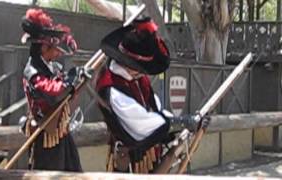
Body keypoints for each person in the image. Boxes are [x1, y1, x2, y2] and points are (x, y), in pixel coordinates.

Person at [96, 17, 209, 173]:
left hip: (148, 156)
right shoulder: (112, 86)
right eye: (139, 67)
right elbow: (142, 124)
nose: (143, 71)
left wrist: (185, 124)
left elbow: (157, 111)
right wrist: (181, 122)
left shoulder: (139, 80)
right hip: (129, 161)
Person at [20, 8, 90, 171]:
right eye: (55, 48)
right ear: (43, 48)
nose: (59, 52)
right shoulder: (33, 72)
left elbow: (68, 93)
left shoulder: (54, 67)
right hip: (46, 136)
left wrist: (79, 78)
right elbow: (54, 94)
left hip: (61, 133)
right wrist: (72, 78)